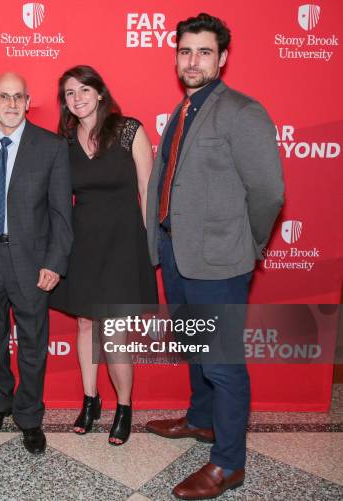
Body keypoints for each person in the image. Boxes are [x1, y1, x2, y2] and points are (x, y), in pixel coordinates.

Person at [144, 13, 284, 499]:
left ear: (222, 59)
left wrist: (249, 244)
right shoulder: (185, 110)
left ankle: (229, 463)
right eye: (185, 51)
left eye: (204, 52)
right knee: (194, 347)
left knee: (222, 361)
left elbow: (267, 192)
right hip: (178, 253)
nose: (193, 60)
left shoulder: (243, 112)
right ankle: (201, 419)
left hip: (220, 260)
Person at [0, 72, 73, 454]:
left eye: (18, 97)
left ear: (28, 102)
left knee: (32, 343)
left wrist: (55, 262)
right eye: (3, 97)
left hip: (31, 260)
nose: (10, 104)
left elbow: (62, 213)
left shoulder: (51, 147)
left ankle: (28, 416)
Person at [49, 65, 157, 445]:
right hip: (83, 244)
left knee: (114, 332)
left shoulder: (129, 130)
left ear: (99, 92)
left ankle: (124, 406)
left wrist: (150, 246)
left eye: (83, 90)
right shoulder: (63, 142)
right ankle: (91, 400)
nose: (77, 98)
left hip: (124, 243)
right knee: (84, 325)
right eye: (69, 93)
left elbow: (148, 190)